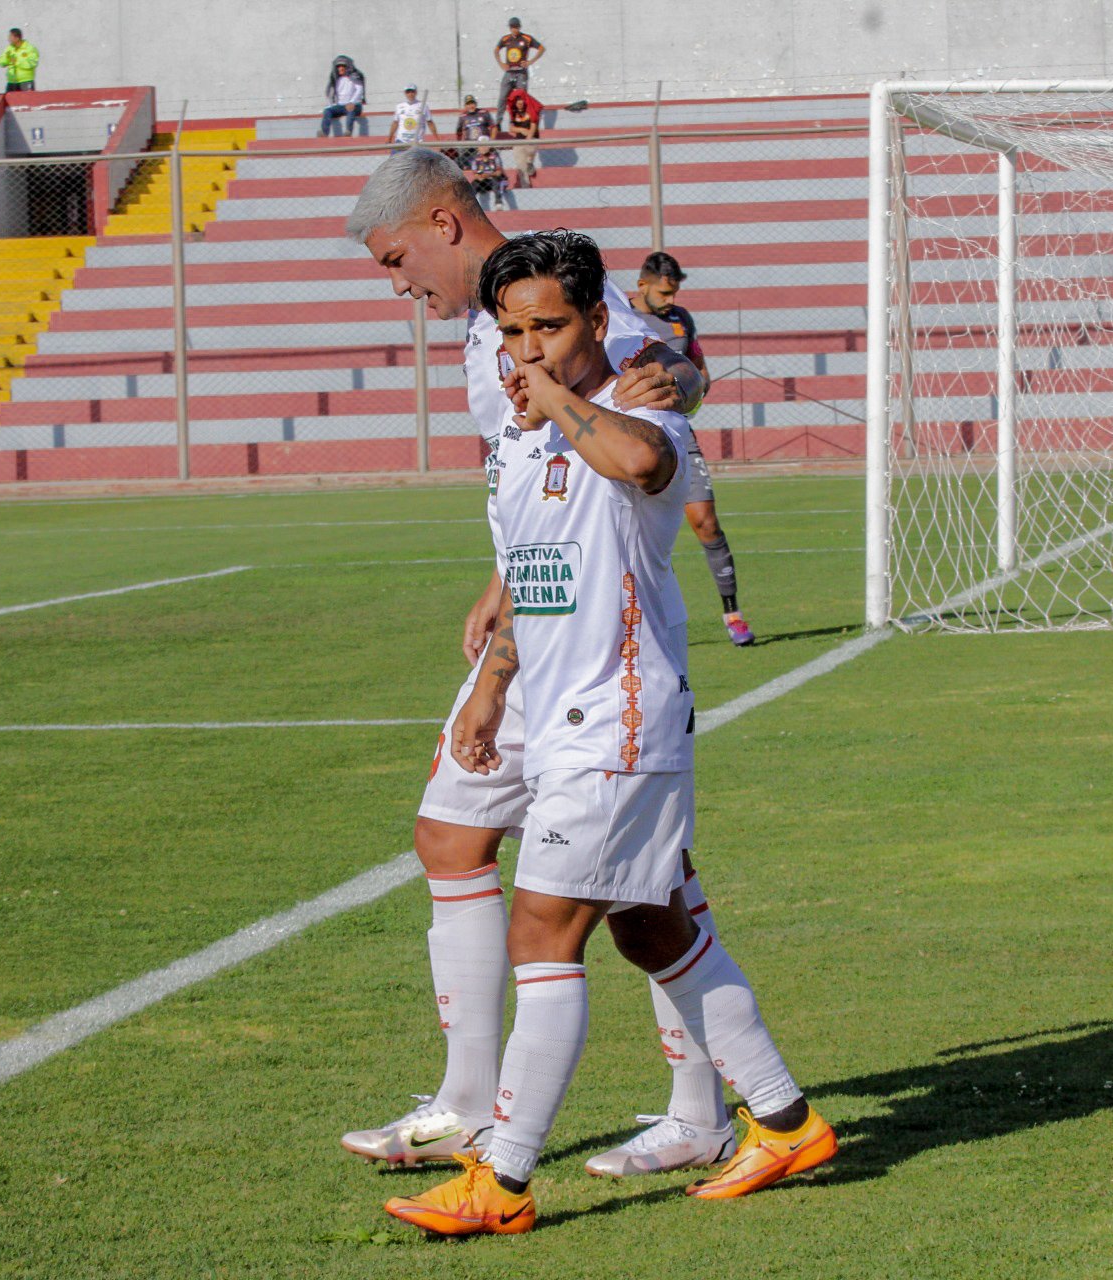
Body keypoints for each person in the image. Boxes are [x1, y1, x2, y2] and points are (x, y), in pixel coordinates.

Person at [382, 231, 834, 1236]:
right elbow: (532, 579)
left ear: (597, 320)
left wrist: (561, 400)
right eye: (512, 330)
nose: (530, 347)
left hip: (620, 718)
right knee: (651, 924)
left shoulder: (641, 405)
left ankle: (499, 1179)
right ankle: (786, 1119)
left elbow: (637, 462)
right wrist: (492, 688)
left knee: (545, 927)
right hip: (553, 716)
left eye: (550, 325)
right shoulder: (518, 437)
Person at [340, 150, 743, 1188]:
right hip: (540, 610)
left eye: (397, 261)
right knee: (451, 828)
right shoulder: (496, 334)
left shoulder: (552, 291)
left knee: (645, 885)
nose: (399, 287)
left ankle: (700, 1110)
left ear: (440, 222)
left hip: (594, 643)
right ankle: (468, 1104)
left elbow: (667, 389)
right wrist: (504, 578)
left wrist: (672, 381)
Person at [630, 252, 753, 645]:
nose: (670, 298)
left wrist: (695, 387)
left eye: (675, 291)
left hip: (680, 433)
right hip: (630, 437)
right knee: (627, 532)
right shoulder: (619, 315)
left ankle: (733, 614)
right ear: (642, 284)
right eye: (664, 291)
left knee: (706, 522)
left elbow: (699, 368)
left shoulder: (681, 319)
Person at [493, 16, 543, 105]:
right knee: (503, 97)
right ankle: (499, 119)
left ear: (519, 27)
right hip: (509, 71)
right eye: (512, 27)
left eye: (516, 27)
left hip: (521, 72)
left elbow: (541, 48)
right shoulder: (506, 38)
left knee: (521, 98)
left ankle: (523, 117)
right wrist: (501, 63)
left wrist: (530, 62)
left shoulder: (526, 38)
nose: (514, 29)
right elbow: (496, 50)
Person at [502, 87, 541, 187]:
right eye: (517, 101)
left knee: (531, 147)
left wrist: (528, 137)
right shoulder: (514, 113)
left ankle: (530, 162)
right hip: (519, 140)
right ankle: (525, 186)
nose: (519, 103)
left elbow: (533, 125)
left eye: (521, 101)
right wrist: (521, 130)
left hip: (531, 139)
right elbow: (511, 128)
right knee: (520, 166)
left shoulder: (530, 110)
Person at [320, 56, 365, 137]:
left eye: (342, 66)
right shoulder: (335, 79)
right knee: (327, 111)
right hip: (340, 105)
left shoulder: (354, 76)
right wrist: (331, 104)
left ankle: (348, 132)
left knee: (350, 110)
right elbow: (330, 93)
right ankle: (324, 133)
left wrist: (352, 102)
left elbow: (359, 89)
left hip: (355, 105)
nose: (340, 68)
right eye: (338, 66)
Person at [0, 28, 39, 93]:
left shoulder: (29, 48)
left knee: (27, 101)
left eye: (10, 36)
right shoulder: (9, 48)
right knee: (11, 101)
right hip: (12, 81)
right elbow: (1, 62)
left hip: (26, 81)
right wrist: (6, 59)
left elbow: (33, 63)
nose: (8, 39)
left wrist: (17, 62)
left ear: (17, 38)